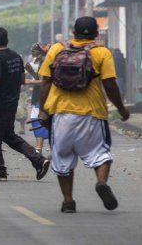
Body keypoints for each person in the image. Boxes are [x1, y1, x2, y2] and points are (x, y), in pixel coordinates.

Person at [38, 16, 130, 213]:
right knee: (100, 154)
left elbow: (45, 82)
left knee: (62, 158)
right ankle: (101, 182)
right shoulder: (101, 52)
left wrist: (42, 110)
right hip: (92, 114)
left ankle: (68, 201)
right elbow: (110, 85)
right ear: (96, 34)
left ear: (73, 32)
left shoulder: (57, 49)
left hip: (60, 114)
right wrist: (121, 109)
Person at [0, 27, 49, 182]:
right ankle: (38, 160)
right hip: (11, 104)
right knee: (9, 136)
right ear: (6, 40)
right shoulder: (16, 57)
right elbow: (22, 81)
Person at [26, 43, 50, 154]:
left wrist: (29, 81)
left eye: (36, 53)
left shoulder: (47, 63)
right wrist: (31, 72)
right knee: (37, 119)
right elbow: (39, 78)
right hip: (39, 96)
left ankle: (40, 147)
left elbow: (44, 82)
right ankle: (38, 147)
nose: (35, 56)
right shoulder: (40, 63)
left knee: (39, 119)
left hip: (44, 96)